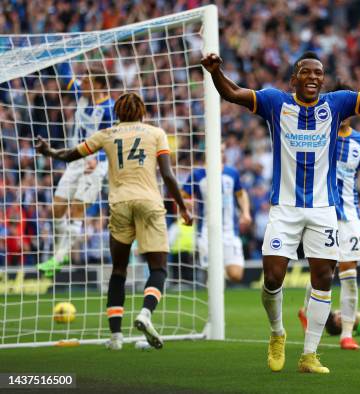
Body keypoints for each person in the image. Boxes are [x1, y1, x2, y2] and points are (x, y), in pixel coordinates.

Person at [201, 50, 360, 373]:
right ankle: (277, 332)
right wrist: (215, 72)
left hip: (323, 209)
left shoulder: (336, 104)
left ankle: (309, 354)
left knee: (323, 278)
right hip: (285, 207)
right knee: (273, 276)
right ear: (294, 79)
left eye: (319, 73)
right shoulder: (276, 103)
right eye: (307, 72)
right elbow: (233, 94)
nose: (314, 78)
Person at [35, 92, 193, 350]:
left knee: (118, 270)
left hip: (119, 204)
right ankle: (145, 313)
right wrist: (183, 208)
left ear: (117, 113)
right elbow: (167, 174)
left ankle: (116, 337)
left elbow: (71, 155)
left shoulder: (107, 134)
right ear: (142, 112)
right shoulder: (156, 133)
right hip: (149, 203)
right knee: (158, 268)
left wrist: (48, 151)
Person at [299, 82, 360, 350]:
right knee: (324, 270)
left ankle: (346, 333)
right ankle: (307, 308)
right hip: (324, 213)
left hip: (351, 217)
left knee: (349, 274)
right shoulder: (321, 134)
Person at [37, 63, 115, 277]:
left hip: (96, 165)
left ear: (98, 85)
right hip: (75, 159)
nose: (82, 84)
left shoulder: (110, 108)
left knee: (76, 212)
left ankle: (58, 258)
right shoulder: (80, 93)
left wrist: (98, 158)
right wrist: (63, 49)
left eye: (87, 81)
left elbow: (112, 140)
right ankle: (60, 252)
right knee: (56, 210)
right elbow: (64, 73)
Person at [182, 149, 252, 283]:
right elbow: (183, 195)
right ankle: (215, 290)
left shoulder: (232, 173)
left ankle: (220, 276)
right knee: (214, 274)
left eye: (222, 150)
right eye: (218, 150)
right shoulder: (197, 175)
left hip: (230, 232)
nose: (221, 153)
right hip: (207, 231)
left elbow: (241, 194)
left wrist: (246, 212)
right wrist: (187, 204)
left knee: (236, 275)